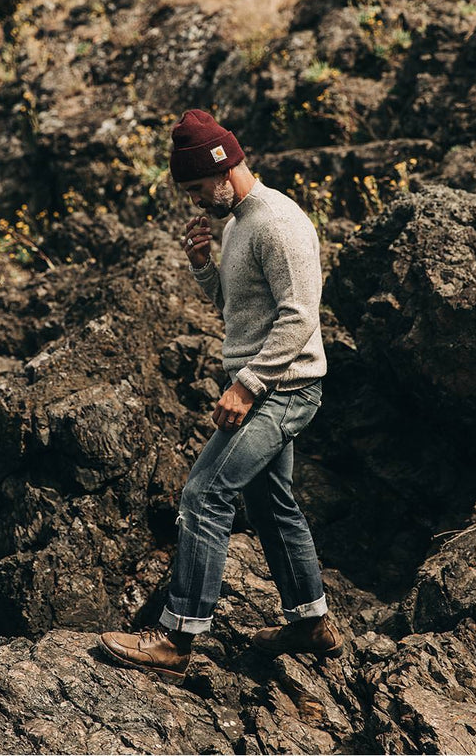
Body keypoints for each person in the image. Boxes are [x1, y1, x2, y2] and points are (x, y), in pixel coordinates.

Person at [99, 109, 342, 684]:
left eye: (196, 190)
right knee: (269, 505)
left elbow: (299, 315)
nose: (194, 202)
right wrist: (203, 264)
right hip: (266, 384)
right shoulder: (235, 222)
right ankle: (311, 623)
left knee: (203, 494)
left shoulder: (277, 223)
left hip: (282, 389)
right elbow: (240, 307)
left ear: (224, 169)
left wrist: (247, 384)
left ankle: (176, 637)